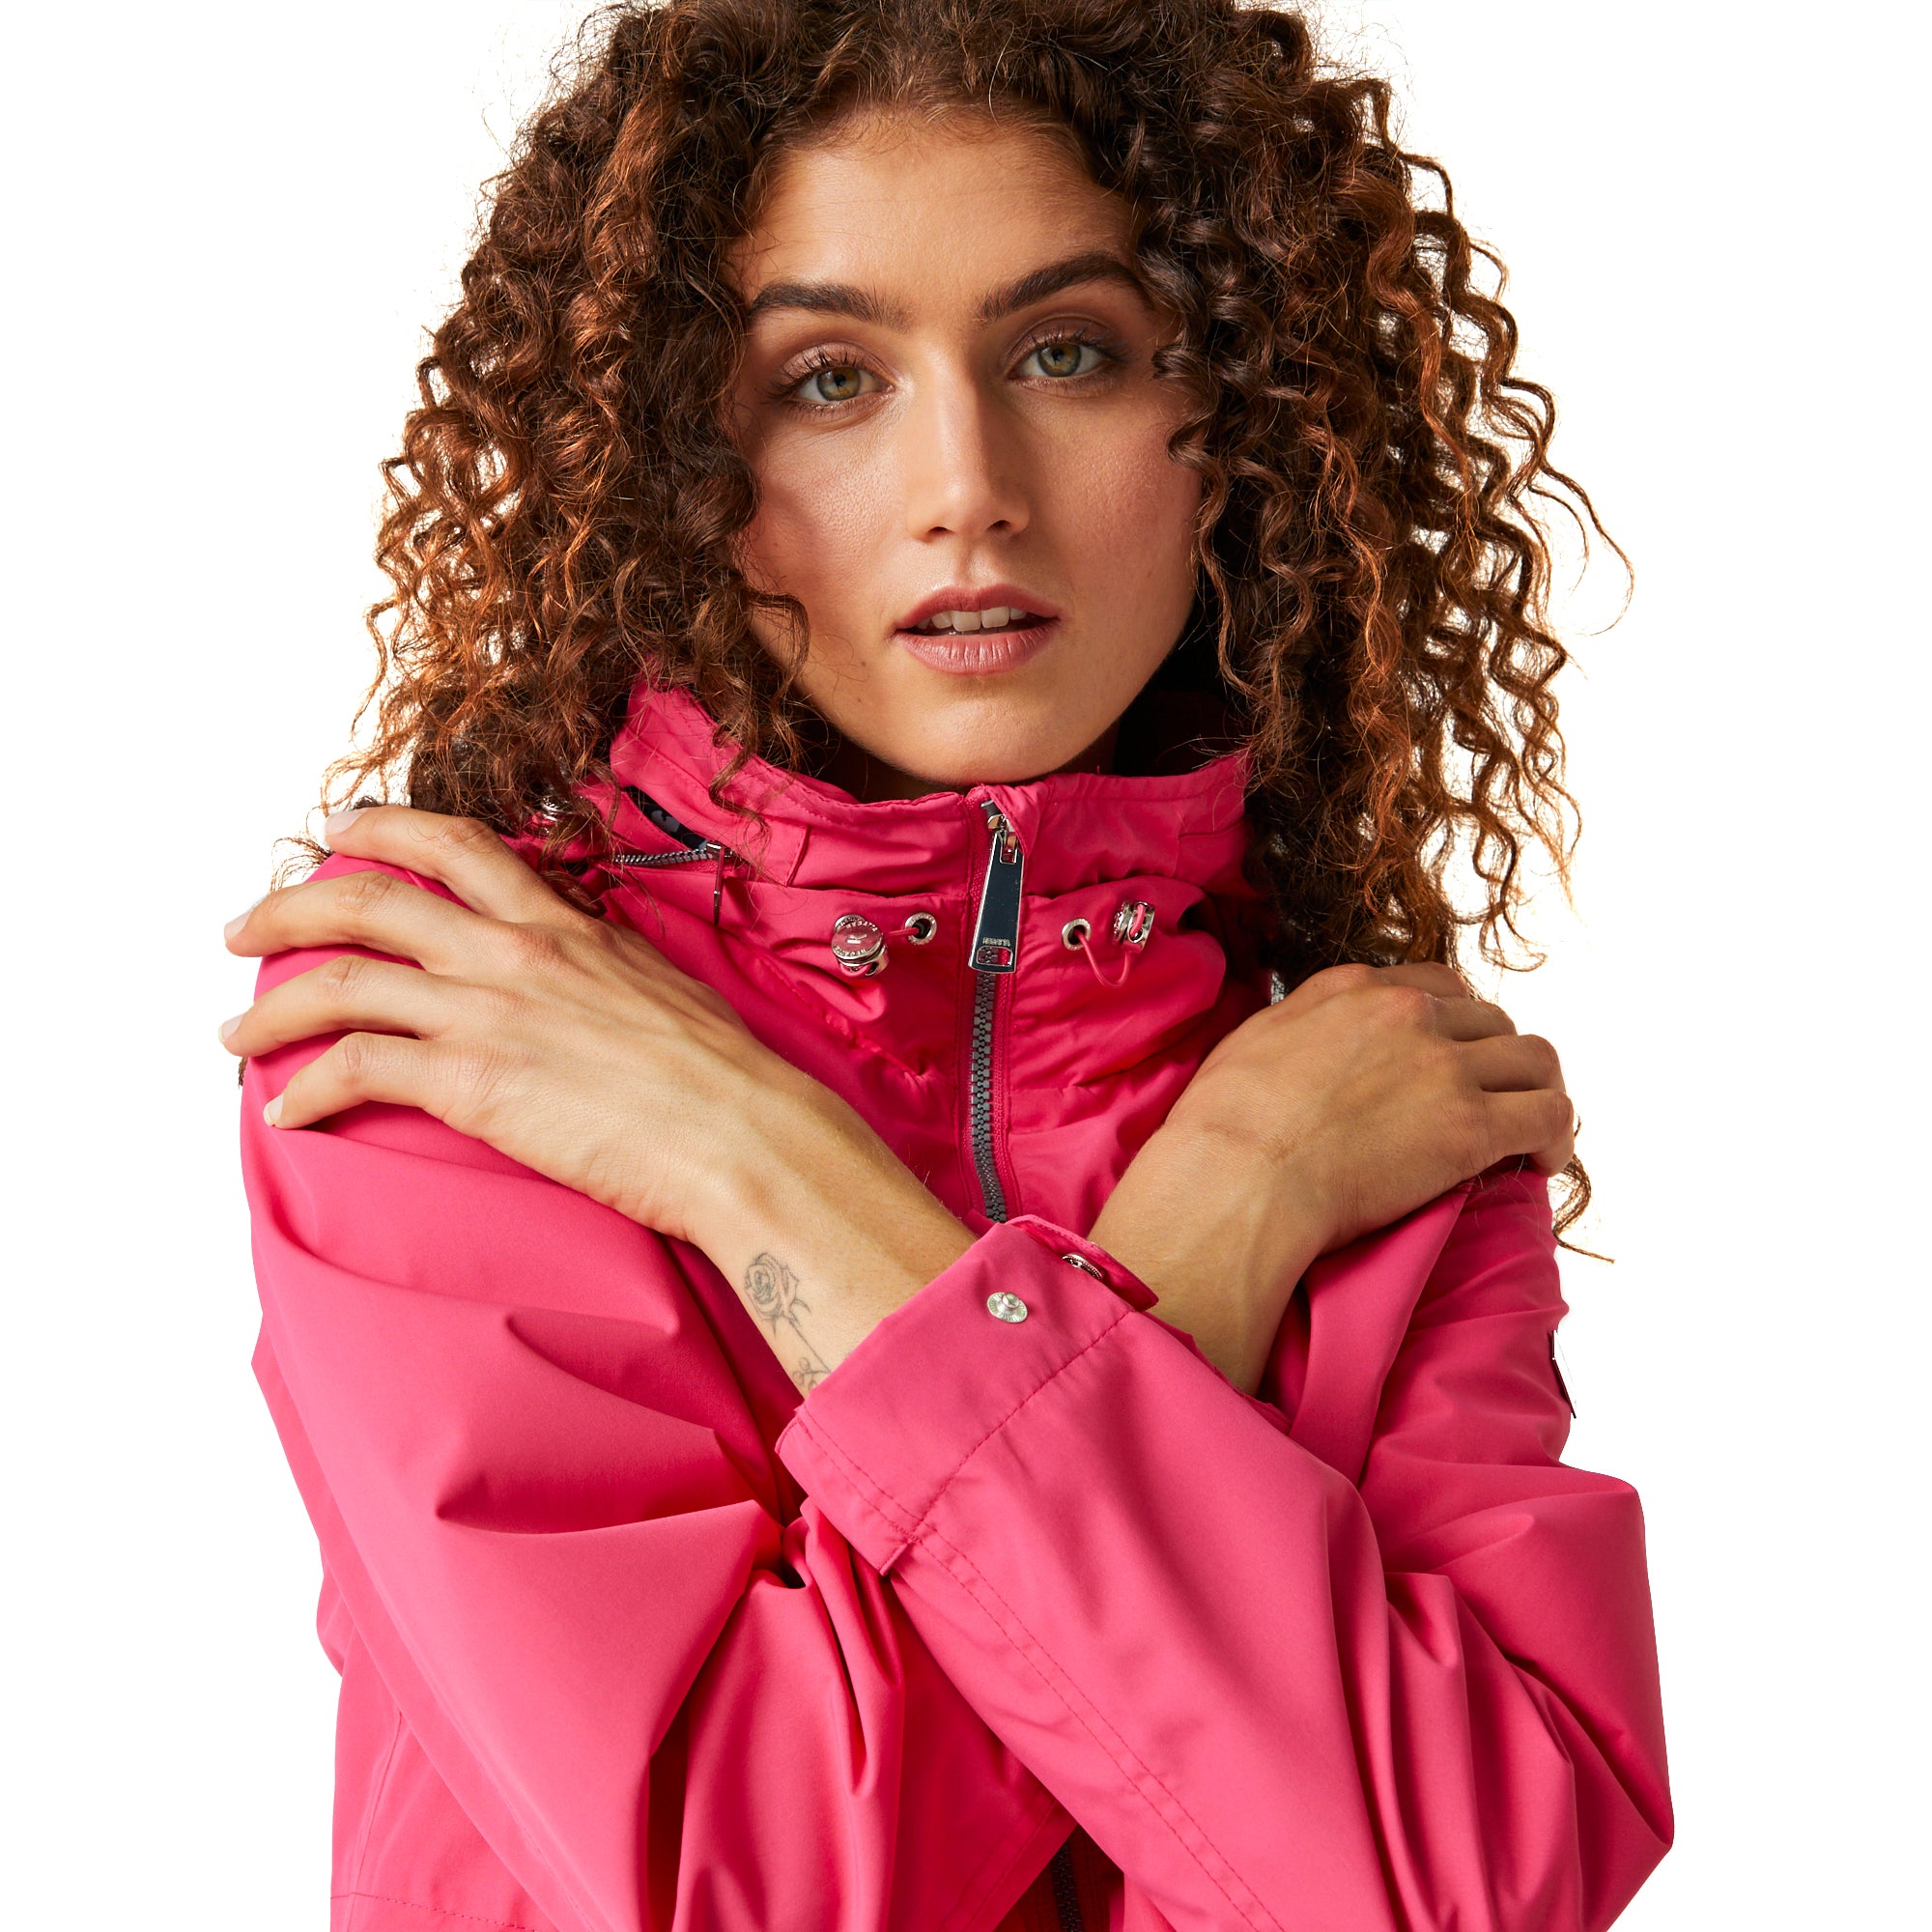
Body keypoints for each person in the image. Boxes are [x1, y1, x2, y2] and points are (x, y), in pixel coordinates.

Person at [226, 2, 1672, 1927]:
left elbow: (1459, 1896)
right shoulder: (460, 1025)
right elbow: (746, 1888)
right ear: (673, 452)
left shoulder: (1365, 1102)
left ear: (1237, 421)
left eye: (1067, 352)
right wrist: (1204, 1262)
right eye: (829, 379)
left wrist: (771, 1176)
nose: (968, 483)